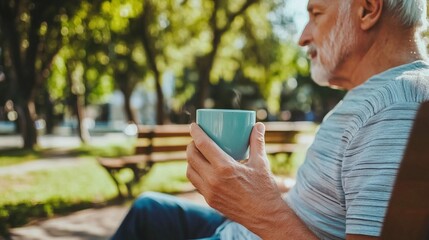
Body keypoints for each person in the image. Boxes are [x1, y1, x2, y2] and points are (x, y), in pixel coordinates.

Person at [112, 0, 429, 239]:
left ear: (368, 9)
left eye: (316, 14)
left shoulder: (394, 105)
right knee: (148, 208)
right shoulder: (384, 95)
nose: (303, 37)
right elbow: (347, 195)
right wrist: (270, 187)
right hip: (241, 229)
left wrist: (257, 208)